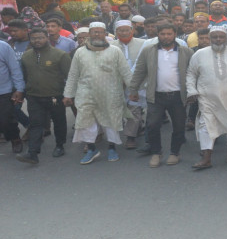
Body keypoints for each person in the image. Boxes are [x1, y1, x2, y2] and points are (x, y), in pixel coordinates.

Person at [63, 22, 133, 164]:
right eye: (94, 32)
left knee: (111, 122)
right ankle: (92, 149)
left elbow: (125, 72)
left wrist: (134, 90)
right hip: (86, 93)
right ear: (89, 34)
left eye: (100, 32)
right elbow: (73, 75)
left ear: (105, 34)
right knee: (85, 121)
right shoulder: (80, 52)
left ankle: (112, 148)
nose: (96, 34)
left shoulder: (115, 51)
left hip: (111, 93)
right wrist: (68, 94)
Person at [128, 24, 193, 167]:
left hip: (178, 96)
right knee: (152, 125)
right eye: (163, 34)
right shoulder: (148, 51)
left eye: (169, 34)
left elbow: (192, 73)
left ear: (175, 34)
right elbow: (139, 71)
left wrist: (193, 92)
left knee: (178, 126)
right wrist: (133, 90)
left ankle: (175, 153)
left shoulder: (185, 52)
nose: (166, 37)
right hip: (156, 95)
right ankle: (156, 153)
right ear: (158, 34)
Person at [187, 28, 227, 170]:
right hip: (208, 98)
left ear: (226, 38)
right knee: (206, 125)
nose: (218, 40)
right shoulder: (199, 54)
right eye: (214, 37)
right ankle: (206, 157)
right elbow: (191, 74)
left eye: (221, 37)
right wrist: (191, 91)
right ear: (210, 39)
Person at [15, 29, 71, 164]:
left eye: (40, 38)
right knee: (36, 124)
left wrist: (69, 95)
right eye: (33, 38)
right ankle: (32, 153)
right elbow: (23, 76)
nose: (37, 41)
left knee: (59, 122)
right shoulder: (26, 56)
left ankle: (59, 145)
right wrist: (21, 92)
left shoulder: (60, 55)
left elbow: (70, 77)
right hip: (34, 96)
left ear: (47, 37)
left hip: (55, 96)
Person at [111, 20, 146, 149]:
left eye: (127, 30)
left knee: (134, 109)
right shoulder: (111, 46)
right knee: (117, 109)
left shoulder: (143, 44)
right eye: (121, 30)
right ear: (116, 32)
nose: (124, 33)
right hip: (117, 83)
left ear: (132, 30)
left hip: (137, 83)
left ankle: (131, 137)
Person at [0, 39, 25, 153]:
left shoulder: (3, 47)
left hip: (4, 91)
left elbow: (15, 69)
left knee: (6, 120)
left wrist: (19, 89)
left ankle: (15, 139)